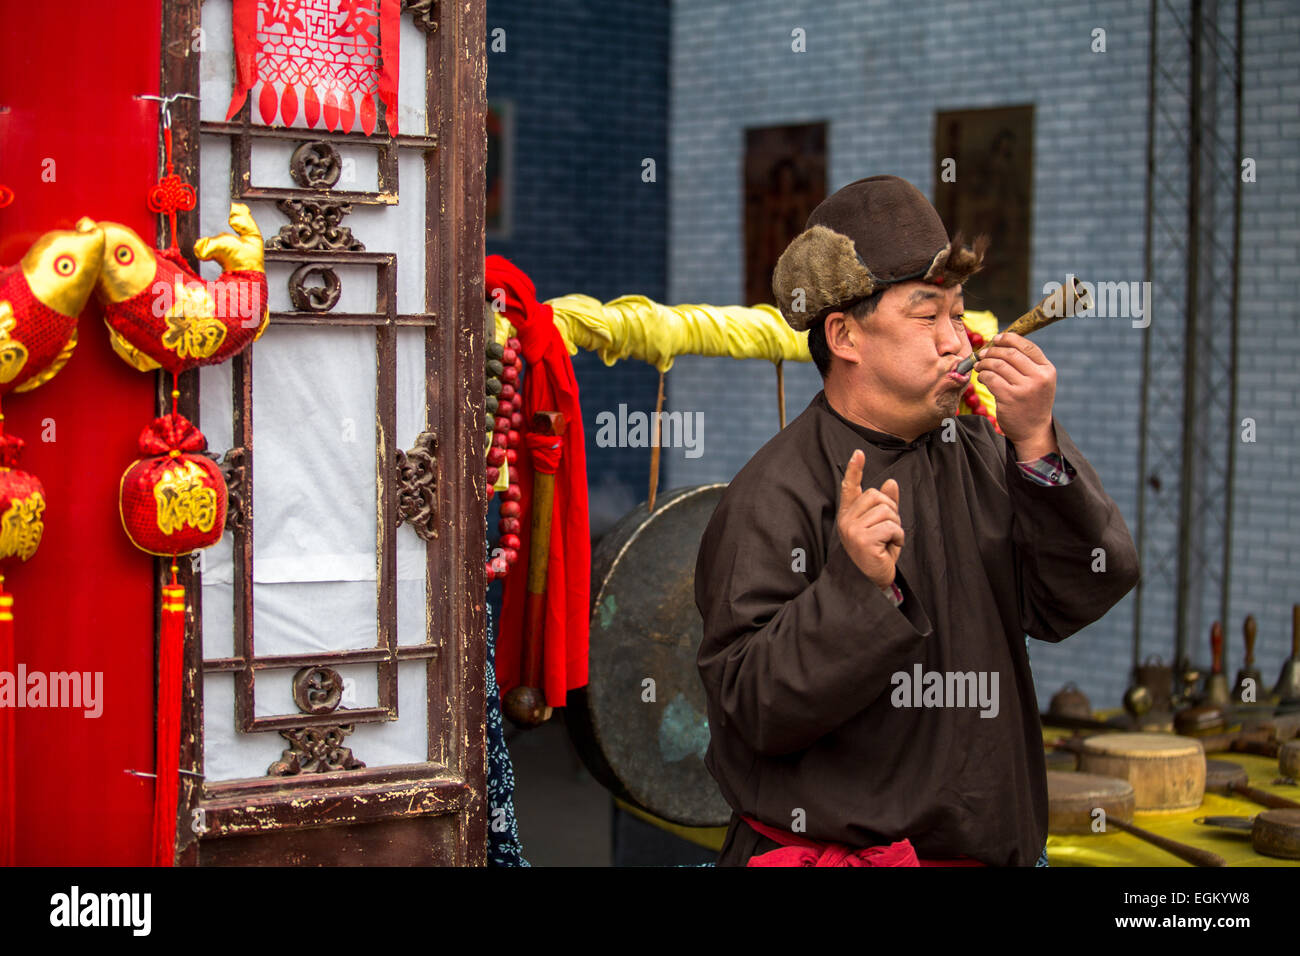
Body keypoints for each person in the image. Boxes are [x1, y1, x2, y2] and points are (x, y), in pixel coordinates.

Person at [694, 175, 1140, 866]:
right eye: (927, 316)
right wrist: (855, 593)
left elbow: (1078, 594)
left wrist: (1038, 446)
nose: (955, 340)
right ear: (843, 334)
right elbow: (750, 709)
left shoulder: (985, 450)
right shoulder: (774, 490)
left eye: (958, 315)